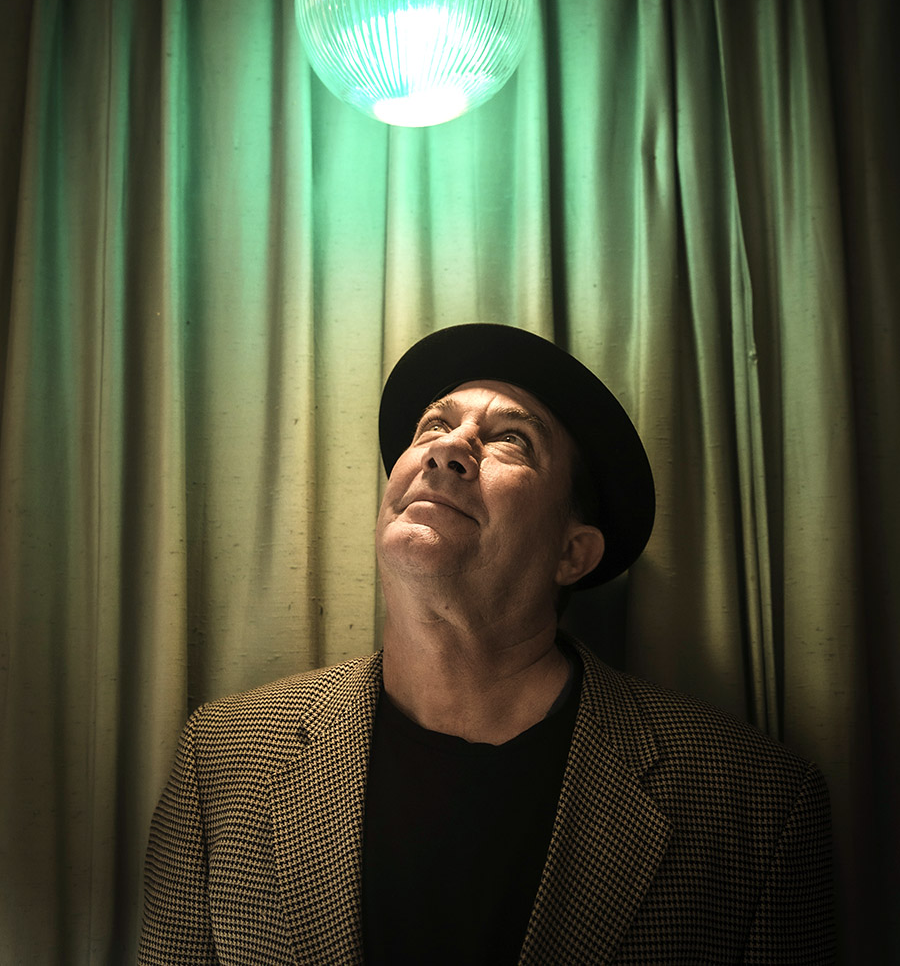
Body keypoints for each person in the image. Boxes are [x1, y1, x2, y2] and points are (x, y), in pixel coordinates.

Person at [138, 323, 834, 965]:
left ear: (573, 552)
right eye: (434, 426)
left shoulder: (755, 806)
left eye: (512, 440)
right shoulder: (221, 758)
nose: (448, 448)